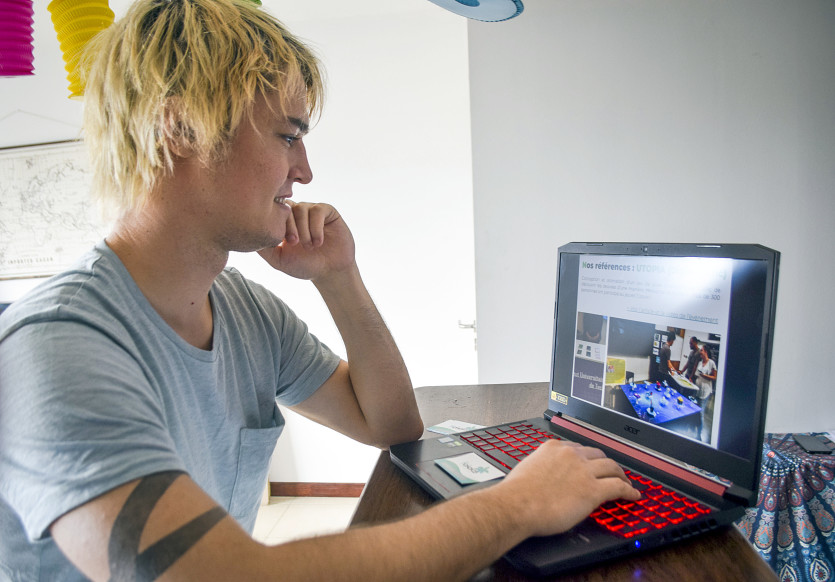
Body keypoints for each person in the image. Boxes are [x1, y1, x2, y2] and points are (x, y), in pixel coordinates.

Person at [0, 1, 639, 580]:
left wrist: (339, 275)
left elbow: (390, 424)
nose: (305, 171)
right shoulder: (56, 348)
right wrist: (516, 505)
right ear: (181, 127)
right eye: (288, 136)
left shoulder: (244, 309)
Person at [694, 345, 718, 442]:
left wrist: (705, 375)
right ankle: (695, 427)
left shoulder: (711, 363)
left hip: (705, 391)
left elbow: (714, 377)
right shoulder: (700, 362)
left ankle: (699, 435)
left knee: (701, 413)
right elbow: (697, 374)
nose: (700, 352)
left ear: (706, 352)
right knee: (696, 410)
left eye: (701, 350)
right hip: (697, 390)